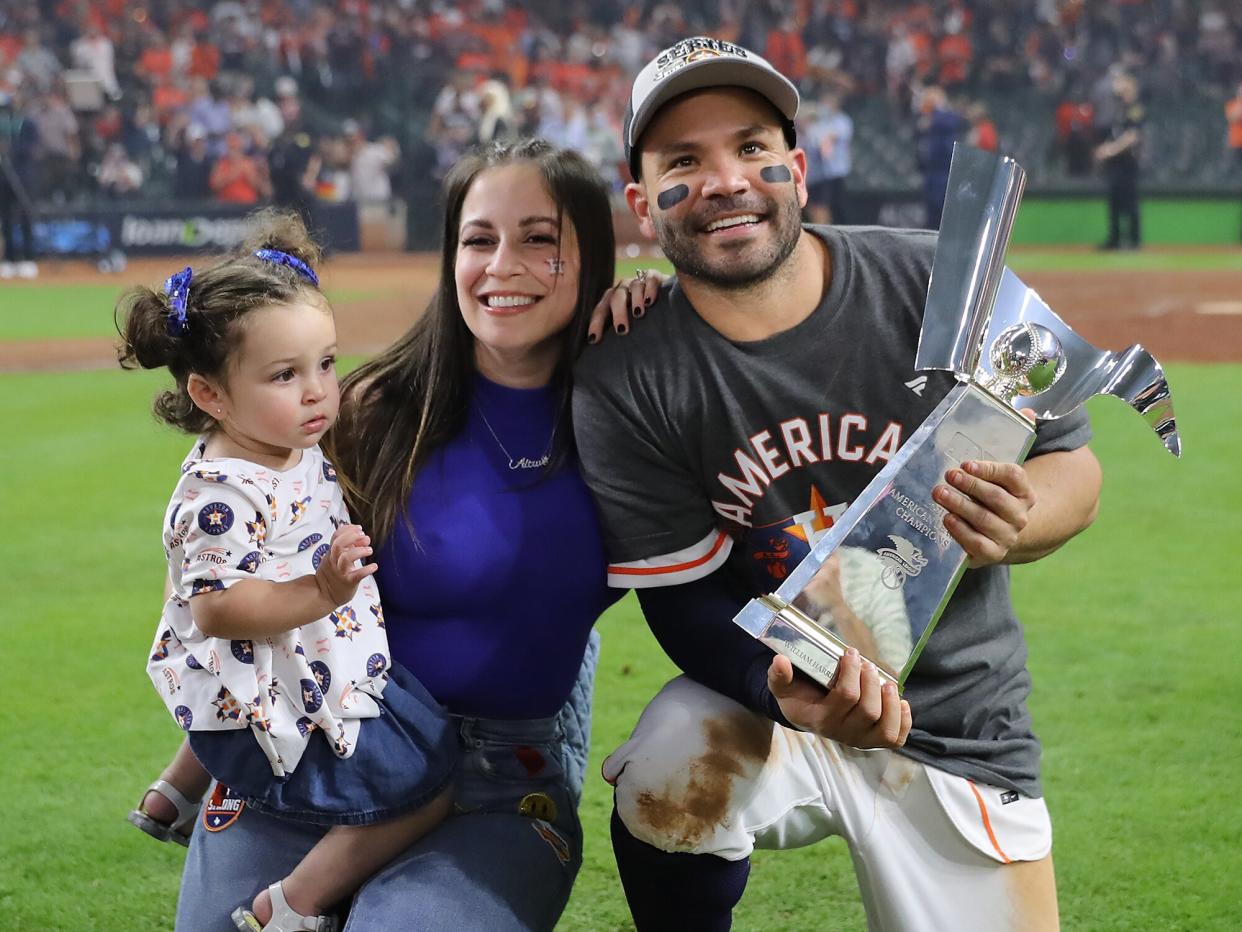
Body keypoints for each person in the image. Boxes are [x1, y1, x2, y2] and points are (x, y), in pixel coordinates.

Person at [572, 37, 1103, 931]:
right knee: (670, 761)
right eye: (683, 163)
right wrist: (777, 688)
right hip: (779, 706)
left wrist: (1022, 519)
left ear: (799, 169)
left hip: (958, 727)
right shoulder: (628, 369)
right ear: (642, 204)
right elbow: (685, 597)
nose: (724, 180)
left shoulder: (938, 278)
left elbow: (1073, 465)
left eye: (749, 148)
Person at [163, 139, 658, 931]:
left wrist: (656, 309)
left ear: (590, 254)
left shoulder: (636, 408)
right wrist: (190, 767)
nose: (503, 265)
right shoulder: (370, 412)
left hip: (497, 777)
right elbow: (237, 569)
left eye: (540, 239)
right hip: (314, 746)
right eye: (478, 239)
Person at [117, 211, 459, 931]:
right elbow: (217, 613)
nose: (317, 392)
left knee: (225, 684)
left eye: (326, 363)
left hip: (271, 664)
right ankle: (294, 903)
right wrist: (324, 591)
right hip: (284, 669)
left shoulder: (278, 439)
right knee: (427, 787)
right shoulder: (224, 494)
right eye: (285, 374)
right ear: (209, 394)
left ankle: (177, 790)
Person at [1094, 71, 1143, 251]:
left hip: (1128, 162)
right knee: (1114, 201)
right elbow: (1116, 133)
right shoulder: (1119, 108)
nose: (1118, 86)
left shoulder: (1135, 108)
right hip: (1116, 162)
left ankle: (1134, 240)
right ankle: (1114, 239)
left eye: (1122, 82)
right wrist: (1104, 149)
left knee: (1129, 201)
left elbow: (1132, 136)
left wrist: (1111, 150)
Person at [914, 84, 967, 229]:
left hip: (943, 171)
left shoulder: (946, 117)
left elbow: (951, 121)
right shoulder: (925, 120)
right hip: (930, 171)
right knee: (932, 211)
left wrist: (935, 110)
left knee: (941, 210)